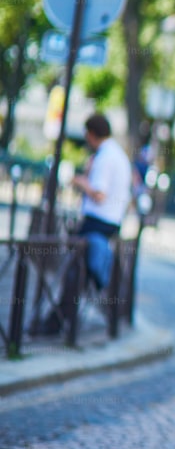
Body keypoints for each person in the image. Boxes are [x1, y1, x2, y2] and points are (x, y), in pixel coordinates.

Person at [40, 113, 134, 334]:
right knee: (78, 275)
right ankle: (64, 321)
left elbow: (99, 194)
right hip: (110, 222)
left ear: (91, 134)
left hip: (98, 222)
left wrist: (81, 182)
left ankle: (60, 322)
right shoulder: (117, 154)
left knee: (74, 274)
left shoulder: (105, 157)